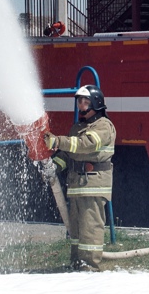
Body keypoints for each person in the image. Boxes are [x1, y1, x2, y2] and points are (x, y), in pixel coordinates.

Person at [44, 85, 116, 271]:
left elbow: (86, 145)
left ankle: (90, 267)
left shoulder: (103, 126)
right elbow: (69, 154)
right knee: (76, 230)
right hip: (77, 184)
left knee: (90, 229)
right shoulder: (78, 127)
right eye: (79, 101)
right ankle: (77, 264)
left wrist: (58, 141)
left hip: (93, 184)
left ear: (96, 102)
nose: (82, 105)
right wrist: (55, 166)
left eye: (86, 101)